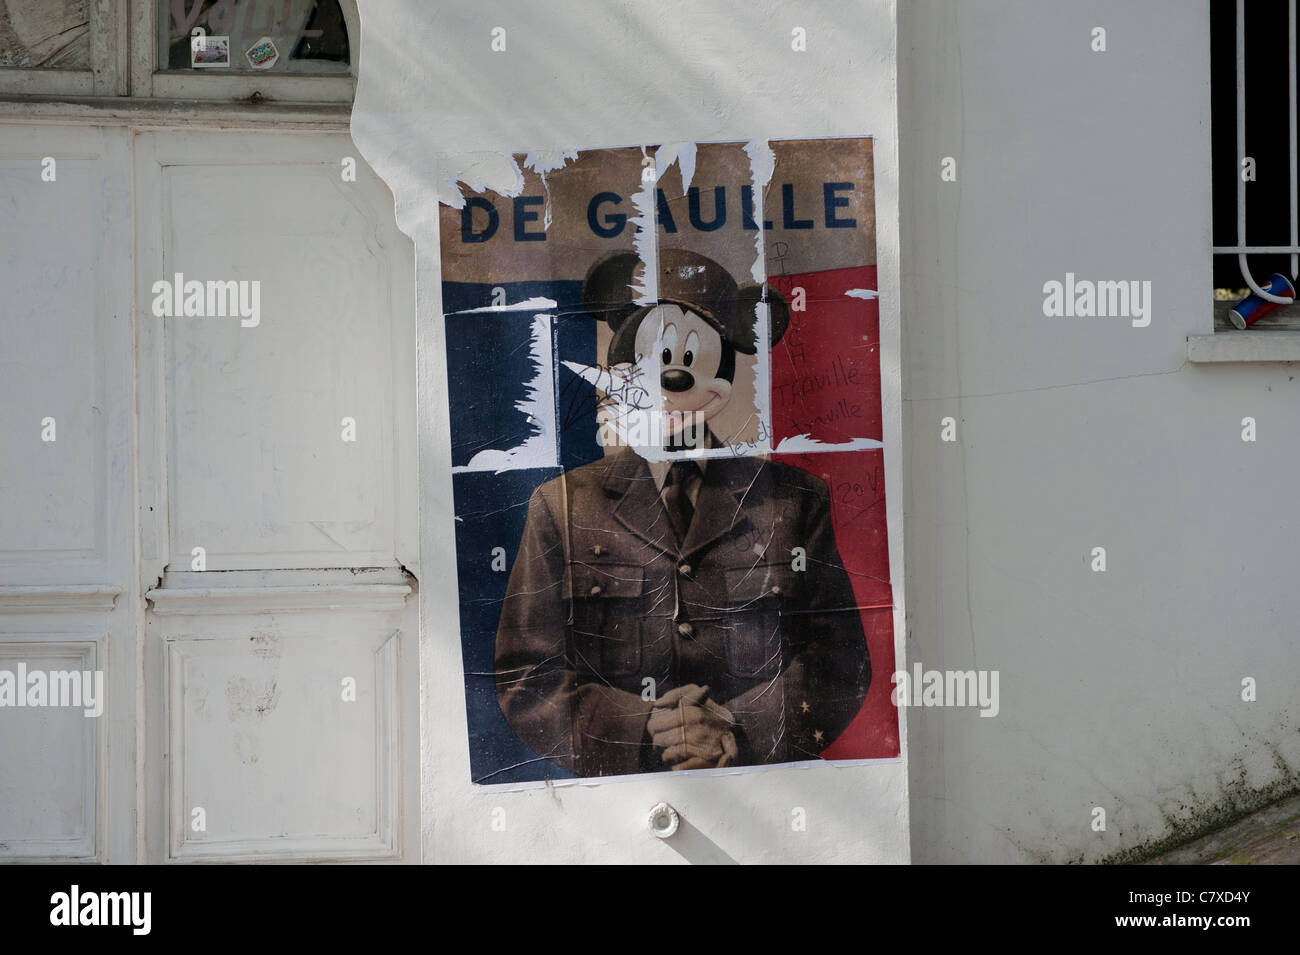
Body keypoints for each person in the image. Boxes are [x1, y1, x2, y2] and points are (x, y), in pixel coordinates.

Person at [494, 249, 870, 776]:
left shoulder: (793, 499)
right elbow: (527, 674)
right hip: (614, 797)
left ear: (726, 373)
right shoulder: (561, 505)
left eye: (689, 360)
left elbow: (839, 662)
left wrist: (737, 727)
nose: (668, 379)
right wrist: (643, 728)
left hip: (766, 784)